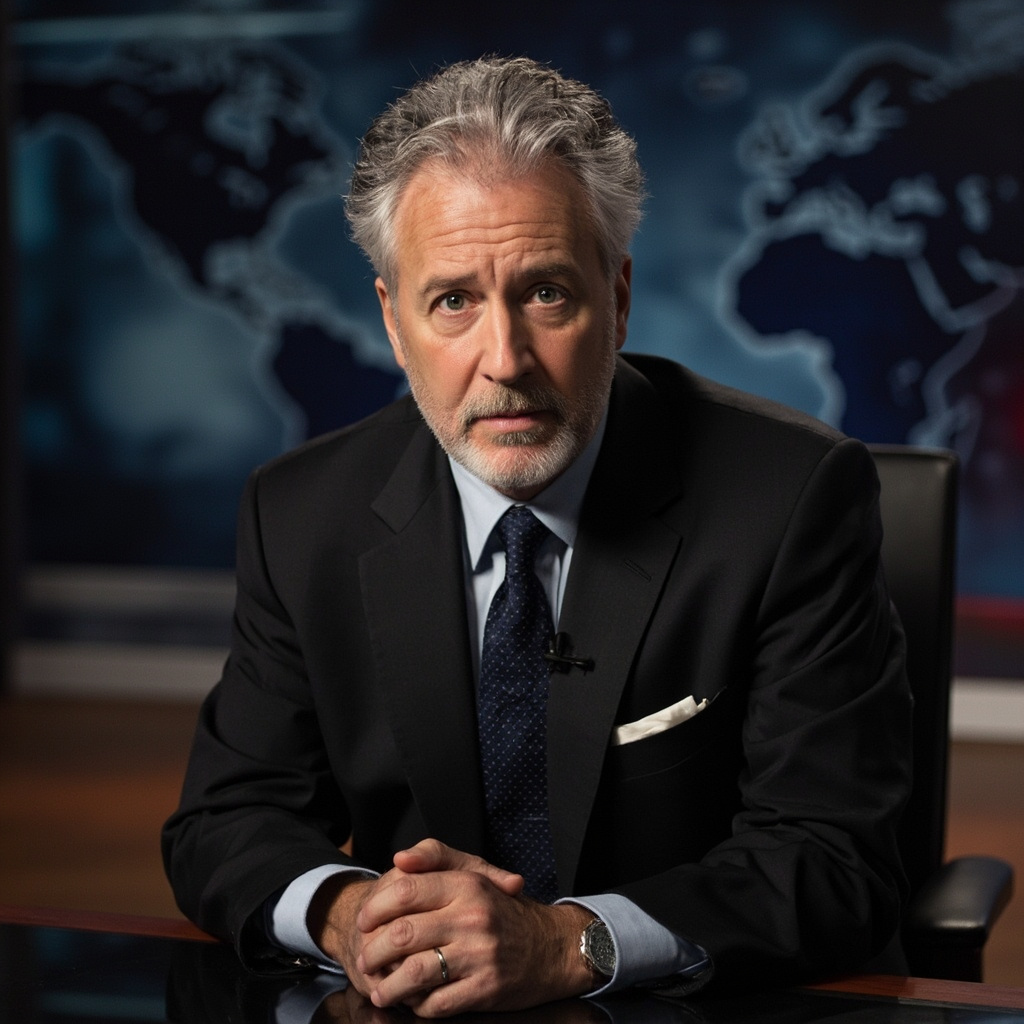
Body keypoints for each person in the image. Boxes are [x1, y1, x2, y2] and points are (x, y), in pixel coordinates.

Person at [162, 55, 912, 1018]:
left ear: (620, 294)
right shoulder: (302, 514)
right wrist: (349, 915)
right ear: (394, 323)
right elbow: (227, 818)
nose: (505, 361)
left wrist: (566, 942)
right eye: (453, 302)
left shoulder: (792, 497)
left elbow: (834, 856)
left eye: (547, 293)